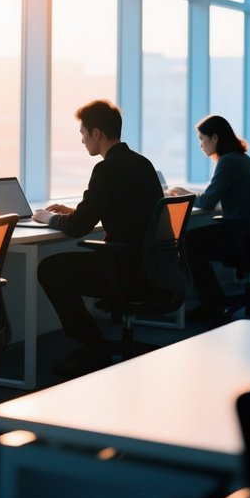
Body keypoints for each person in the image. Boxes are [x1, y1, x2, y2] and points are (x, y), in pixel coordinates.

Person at [34, 100, 163, 378]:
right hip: (150, 266)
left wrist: (47, 218)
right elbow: (123, 209)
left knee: (50, 269)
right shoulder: (141, 162)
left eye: (82, 133)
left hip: (127, 269)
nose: (82, 141)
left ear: (96, 134)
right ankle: (95, 344)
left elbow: (79, 227)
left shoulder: (107, 169)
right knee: (61, 266)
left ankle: (94, 346)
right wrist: (74, 211)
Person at [169, 115, 250, 323]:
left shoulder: (228, 161)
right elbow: (215, 194)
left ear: (215, 138)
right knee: (194, 240)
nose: (200, 144)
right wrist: (193, 193)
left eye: (202, 139)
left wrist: (184, 193)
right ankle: (214, 300)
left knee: (188, 243)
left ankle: (212, 304)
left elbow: (208, 202)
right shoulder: (241, 158)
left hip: (241, 234)